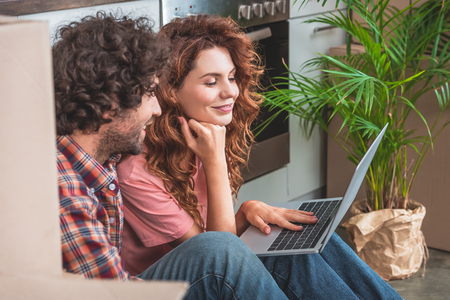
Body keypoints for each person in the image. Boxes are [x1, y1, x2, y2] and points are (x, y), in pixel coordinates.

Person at [117, 14, 403, 300]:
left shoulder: (205, 134)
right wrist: (215, 163)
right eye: (210, 82)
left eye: (230, 77)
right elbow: (215, 255)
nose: (230, 91)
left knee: (292, 232)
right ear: (171, 92)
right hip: (171, 287)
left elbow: (219, 234)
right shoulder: (137, 171)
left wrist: (246, 210)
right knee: (273, 244)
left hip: (211, 258)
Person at [54, 11, 296, 299]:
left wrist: (244, 214)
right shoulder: (68, 194)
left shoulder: (104, 162)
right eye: (148, 94)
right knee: (221, 252)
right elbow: (114, 294)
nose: (158, 108)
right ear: (110, 106)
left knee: (290, 238)